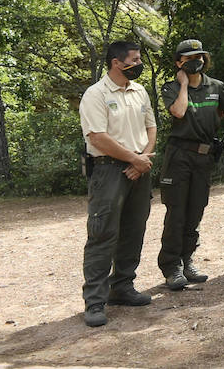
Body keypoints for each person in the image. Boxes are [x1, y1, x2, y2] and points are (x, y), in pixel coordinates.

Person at [79, 40, 156, 327]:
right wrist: (133, 159)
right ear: (116, 62)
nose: (138, 64)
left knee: (134, 230)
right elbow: (97, 137)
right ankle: (95, 302)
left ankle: (122, 287)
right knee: (102, 234)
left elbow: (151, 126)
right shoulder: (95, 94)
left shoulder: (139, 91)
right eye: (134, 60)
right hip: (109, 170)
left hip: (140, 168)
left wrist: (143, 158)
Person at [158, 38, 224, 291]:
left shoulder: (217, 87)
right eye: (188, 58)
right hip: (179, 157)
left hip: (204, 157)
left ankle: (188, 261)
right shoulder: (171, 88)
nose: (195, 61)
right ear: (178, 63)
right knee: (176, 213)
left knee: (196, 211)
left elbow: (221, 113)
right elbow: (178, 112)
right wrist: (184, 85)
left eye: (199, 56)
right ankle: (172, 266)